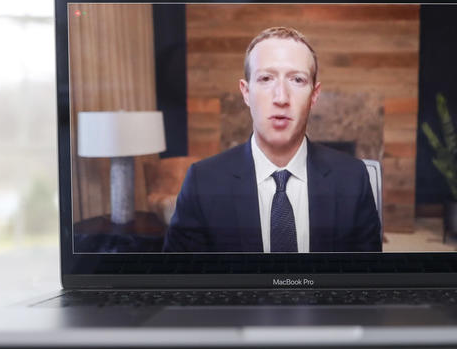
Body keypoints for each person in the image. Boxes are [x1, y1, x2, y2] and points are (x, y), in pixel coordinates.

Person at [163, 27, 381, 253]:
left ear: (314, 95)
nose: (281, 97)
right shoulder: (202, 182)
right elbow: (182, 280)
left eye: (297, 80)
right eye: (266, 78)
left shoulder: (353, 178)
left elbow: (366, 280)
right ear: (246, 92)